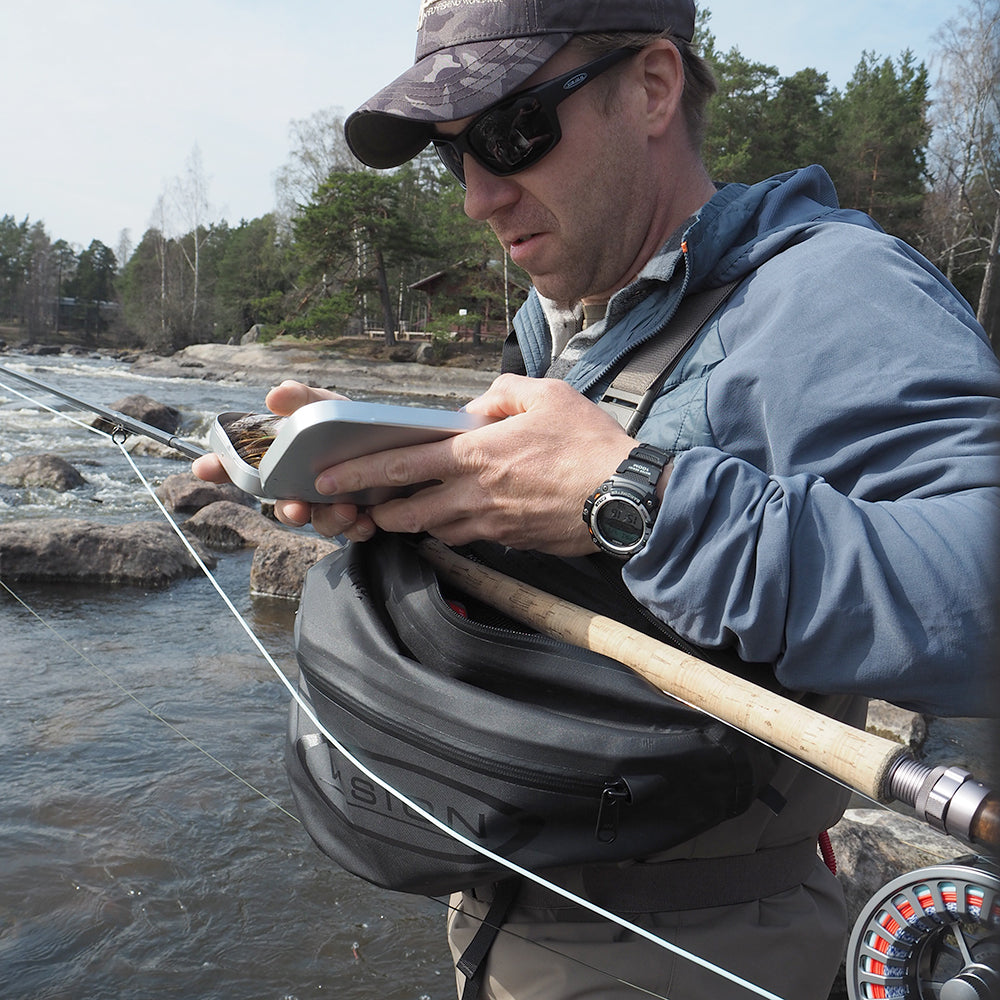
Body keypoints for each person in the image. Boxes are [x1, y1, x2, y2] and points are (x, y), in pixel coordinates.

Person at [194, 0, 1000, 996]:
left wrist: (634, 500)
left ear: (653, 86)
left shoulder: (834, 292)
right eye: (453, 155)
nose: (477, 196)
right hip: (514, 912)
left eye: (510, 132)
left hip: (697, 949)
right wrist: (389, 475)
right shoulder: (567, 320)